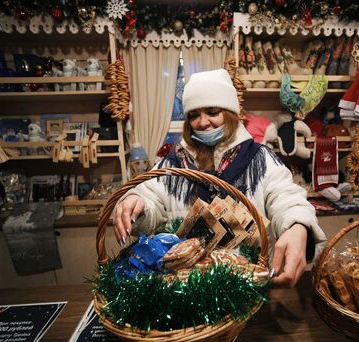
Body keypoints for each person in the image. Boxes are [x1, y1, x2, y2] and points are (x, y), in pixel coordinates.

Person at [113, 68, 326, 288]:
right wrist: (137, 205)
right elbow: (150, 199)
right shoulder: (174, 162)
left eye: (212, 112)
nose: (203, 122)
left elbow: (286, 197)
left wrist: (297, 225)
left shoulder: (259, 160)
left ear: (230, 113)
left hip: (246, 289)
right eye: (194, 115)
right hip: (185, 290)